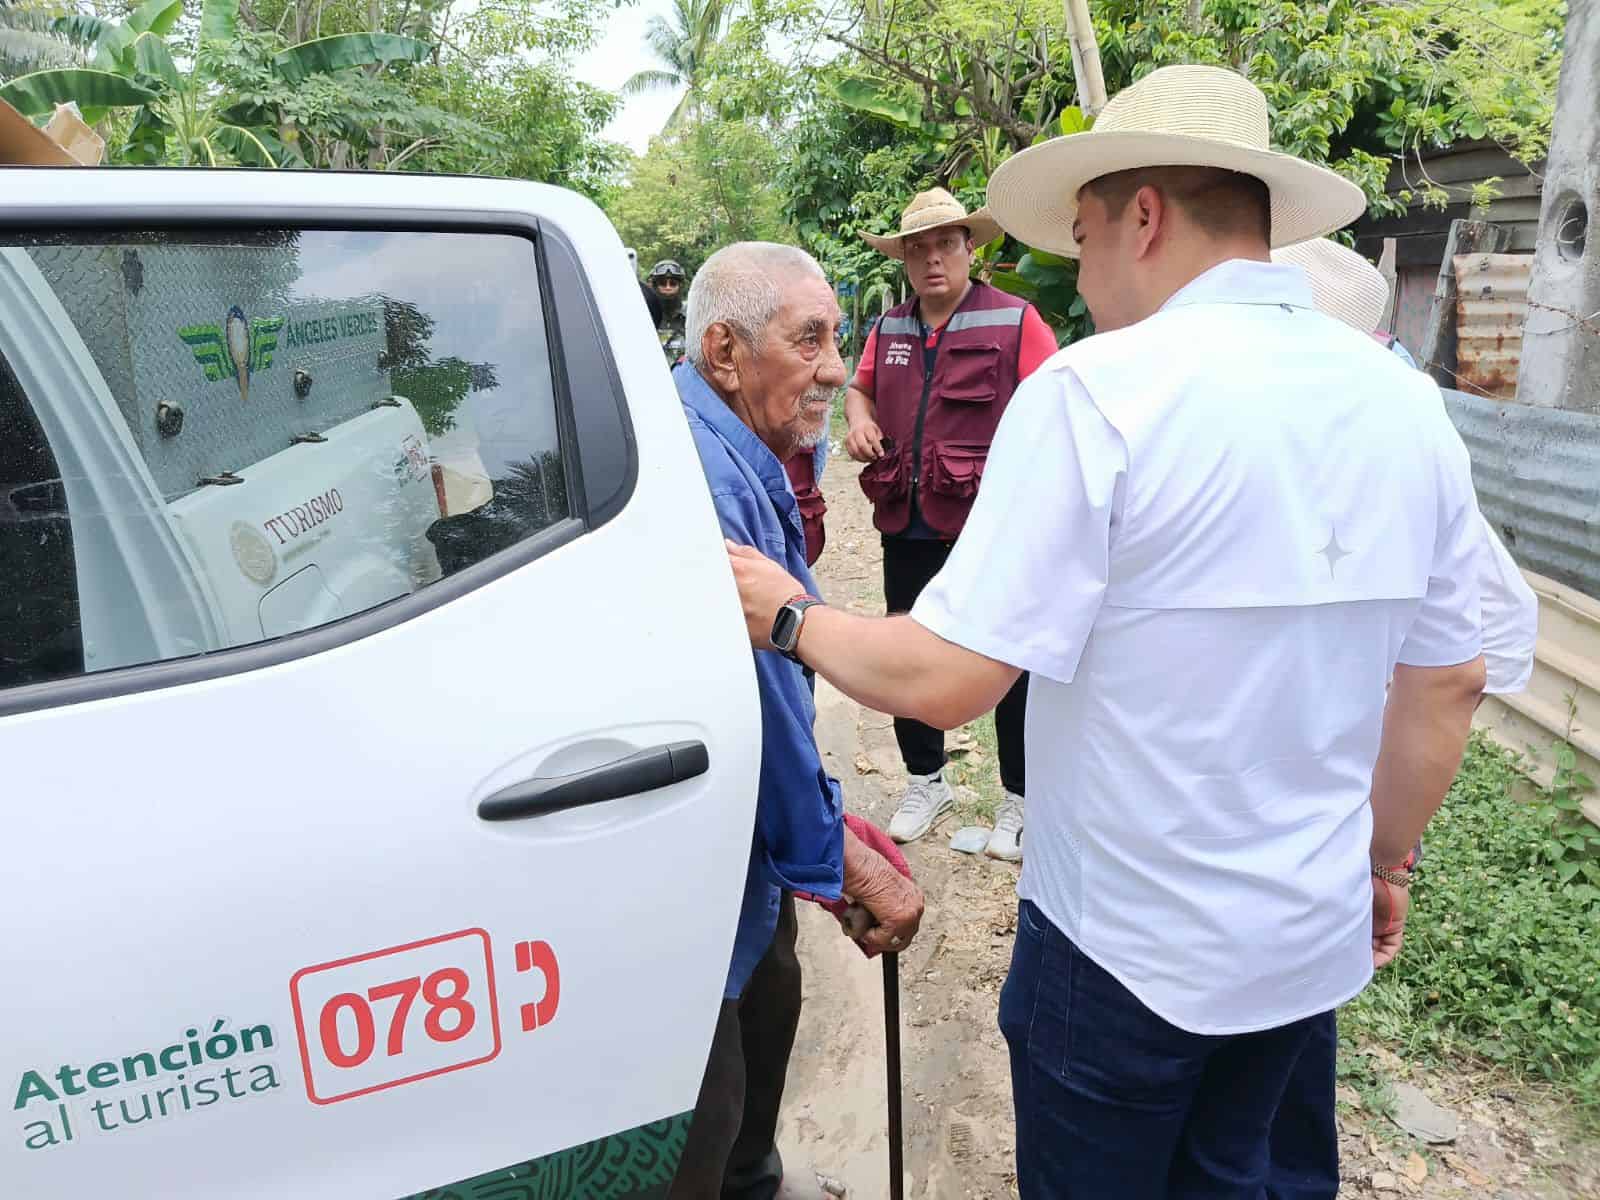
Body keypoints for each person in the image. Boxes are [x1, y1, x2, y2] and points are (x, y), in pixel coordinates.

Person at [723, 64, 1488, 1198]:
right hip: (1303, 946)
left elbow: (946, 679)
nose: (1077, 272)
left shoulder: (1099, 391)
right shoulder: (1401, 400)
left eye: (1080, 237)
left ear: (1143, 216)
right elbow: (1451, 680)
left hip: (1127, 956)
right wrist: (1384, 860)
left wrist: (787, 614)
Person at [1260, 235, 1537, 1200]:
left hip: (1214, 852)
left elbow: (1465, 662)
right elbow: (1474, 656)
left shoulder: (1254, 428)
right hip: (1322, 839)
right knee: (1281, 1092)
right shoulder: (1395, 431)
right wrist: (1386, 857)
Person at [671, 241, 925, 1200]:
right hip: (701, 840)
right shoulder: (710, 474)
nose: (834, 365)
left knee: (769, 998)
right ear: (726, 352)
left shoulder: (738, 437)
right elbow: (763, 694)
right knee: (714, 1095)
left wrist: (820, 833)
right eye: (809, 339)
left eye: (837, 337)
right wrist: (831, 850)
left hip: (746, 835)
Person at [845, 187, 1059, 860]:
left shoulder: (1018, 323)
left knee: (1007, 660)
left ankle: (1019, 802)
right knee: (908, 653)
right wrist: (859, 417)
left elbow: (1056, 411)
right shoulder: (890, 329)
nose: (933, 259)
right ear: (905, 259)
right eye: (918, 248)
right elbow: (860, 388)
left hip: (989, 527)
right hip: (905, 521)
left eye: (946, 244)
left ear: (972, 248)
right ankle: (925, 781)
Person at [651, 258, 688, 363]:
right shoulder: (646, 316)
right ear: (655, 286)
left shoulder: (692, 317)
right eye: (663, 284)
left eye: (672, 283)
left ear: (680, 286)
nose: (668, 288)